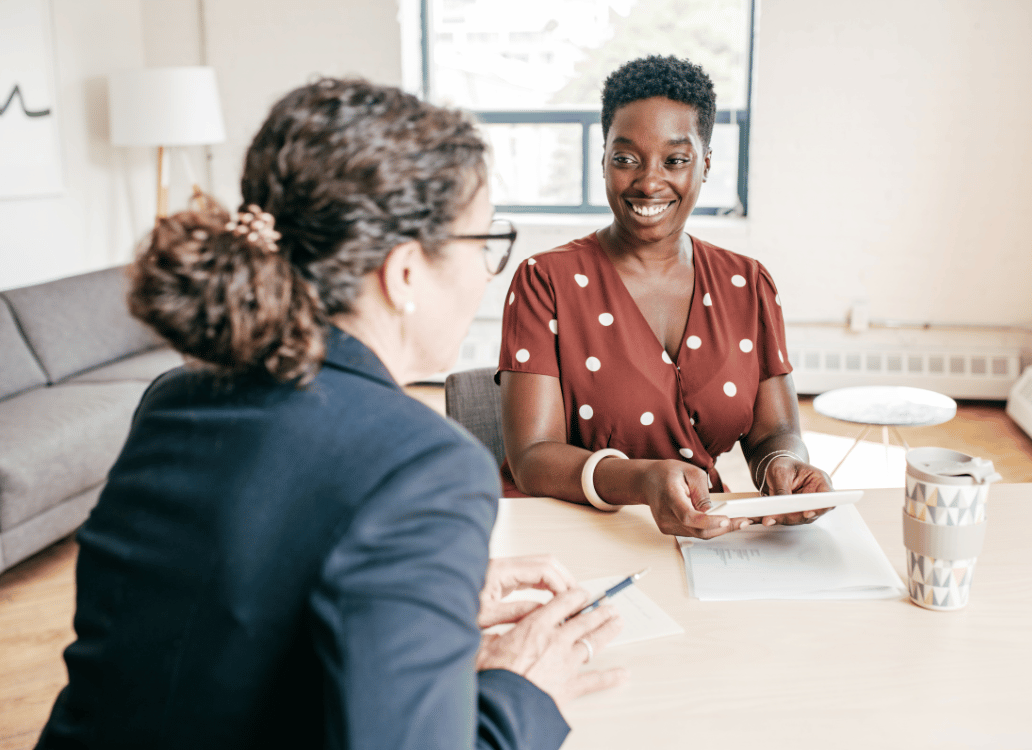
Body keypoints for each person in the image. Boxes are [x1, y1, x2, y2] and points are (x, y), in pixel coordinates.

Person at [36, 78, 625, 750]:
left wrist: (421, 598)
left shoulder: (175, 397)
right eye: (482, 241)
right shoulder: (426, 465)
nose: (488, 273)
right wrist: (522, 689)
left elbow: (201, 632)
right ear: (404, 274)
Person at [498, 56, 833, 540]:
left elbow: (772, 434)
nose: (649, 182)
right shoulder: (546, 280)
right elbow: (532, 458)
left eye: (675, 160)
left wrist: (784, 466)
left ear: (706, 163)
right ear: (604, 159)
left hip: (697, 531)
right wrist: (641, 479)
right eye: (626, 158)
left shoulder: (749, 284)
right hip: (572, 534)